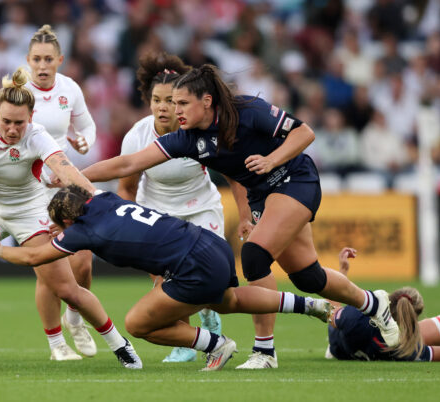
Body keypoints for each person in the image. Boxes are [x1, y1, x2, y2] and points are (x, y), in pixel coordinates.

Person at [76, 63, 400, 369]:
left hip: (294, 180)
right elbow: (127, 164)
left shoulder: (246, 110)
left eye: (182, 103)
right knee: (308, 277)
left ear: (206, 101)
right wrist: (74, 174)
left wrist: (272, 160)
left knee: (254, 256)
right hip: (263, 194)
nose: (176, 111)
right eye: (172, 104)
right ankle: (374, 304)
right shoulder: (187, 139)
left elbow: (305, 133)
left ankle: (265, 350)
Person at [0, 184, 334, 372]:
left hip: (191, 263)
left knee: (138, 323)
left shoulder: (82, 231)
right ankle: (310, 305)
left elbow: (36, 255)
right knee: (229, 301)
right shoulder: (105, 198)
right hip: (210, 242)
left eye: (58, 225)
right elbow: (79, 189)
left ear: (69, 222)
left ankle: (216, 346)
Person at [0, 66, 141, 369]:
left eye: (19, 123)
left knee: (67, 291)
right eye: (6, 122)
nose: (12, 129)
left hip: (30, 212)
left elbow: (66, 171)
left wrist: (99, 200)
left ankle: (120, 344)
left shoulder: (37, 136)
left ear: (31, 118)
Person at [0, 25, 97, 359]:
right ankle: (57, 344)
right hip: (31, 189)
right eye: (37, 58)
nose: (43, 65)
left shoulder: (70, 89)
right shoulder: (12, 93)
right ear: (28, 60)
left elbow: (87, 126)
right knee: (49, 269)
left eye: (49, 58)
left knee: (83, 263)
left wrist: (84, 141)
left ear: (60, 60)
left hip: (62, 187)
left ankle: (75, 320)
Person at [117, 52, 223, 363]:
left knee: (205, 277)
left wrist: (246, 215)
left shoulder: (199, 129)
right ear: (148, 101)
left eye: (170, 100)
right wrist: (126, 226)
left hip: (201, 207)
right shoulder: (136, 137)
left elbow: (233, 172)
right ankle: (186, 344)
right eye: (156, 100)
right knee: (166, 285)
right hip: (156, 213)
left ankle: (207, 313)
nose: (163, 107)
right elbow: (126, 187)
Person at [326, 247, 440, 362]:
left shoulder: (357, 317)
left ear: (389, 298)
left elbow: (330, 311)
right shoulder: (406, 350)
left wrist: (342, 271)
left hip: (340, 346)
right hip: (356, 343)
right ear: (414, 317)